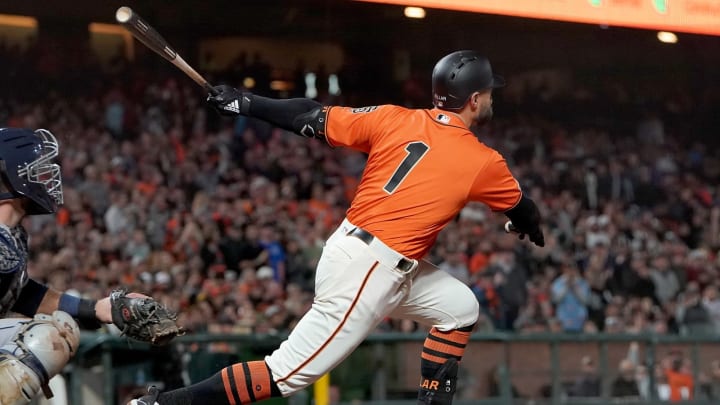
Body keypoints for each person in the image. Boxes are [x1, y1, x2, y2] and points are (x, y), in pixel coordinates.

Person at [131, 50, 544, 405]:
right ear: (474, 100)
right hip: (369, 269)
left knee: (460, 308)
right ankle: (160, 403)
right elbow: (525, 209)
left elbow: (308, 115)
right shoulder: (483, 161)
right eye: (489, 91)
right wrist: (527, 226)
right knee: (286, 374)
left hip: (370, 256)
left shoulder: (393, 118)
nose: (491, 97)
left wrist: (247, 102)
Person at [0, 128, 155, 404]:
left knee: (61, 330)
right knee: (43, 339)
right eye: (35, 169)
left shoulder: (13, 234)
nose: (46, 176)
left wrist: (96, 309)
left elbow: (22, 294)